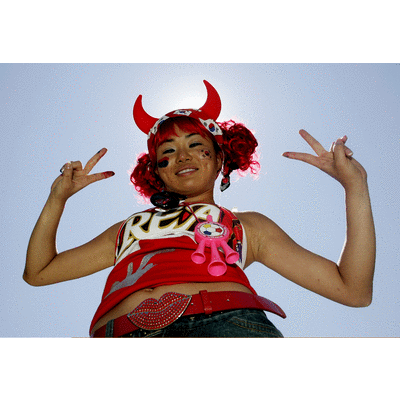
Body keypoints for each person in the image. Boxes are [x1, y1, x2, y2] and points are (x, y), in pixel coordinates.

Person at [24, 80, 376, 337]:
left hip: (228, 326)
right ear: (156, 172)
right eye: (167, 152)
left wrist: (355, 186)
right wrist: (57, 198)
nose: (182, 157)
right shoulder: (127, 229)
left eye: (195, 144)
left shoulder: (247, 226)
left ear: (220, 158)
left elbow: (352, 290)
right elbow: (39, 272)